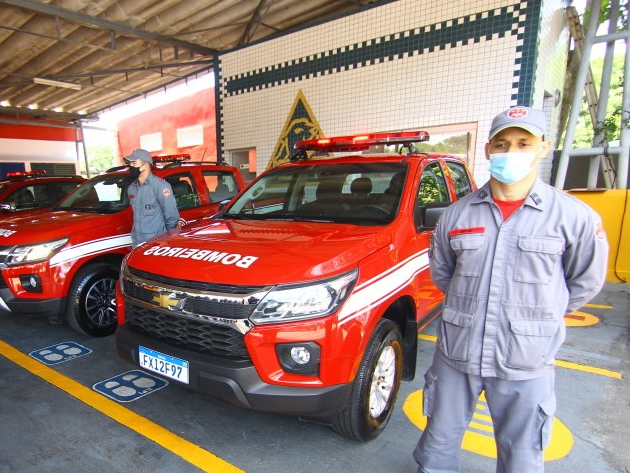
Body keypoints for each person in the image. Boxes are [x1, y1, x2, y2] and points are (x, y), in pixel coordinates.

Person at [412, 106, 609, 473]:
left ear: (543, 147)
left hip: (526, 360)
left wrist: (537, 314)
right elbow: (443, 274)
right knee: (437, 444)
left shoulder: (573, 217)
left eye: (523, 143)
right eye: (503, 144)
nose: (511, 151)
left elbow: (584, 281)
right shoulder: (456, 215)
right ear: (488, 150)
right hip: (458, 353)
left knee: (522, 455)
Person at [124, 148, 182, 248]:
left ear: (145, 165)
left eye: (134, 163)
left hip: (156, 243)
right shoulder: (132, 188)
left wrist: (167, 237)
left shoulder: (160, 186)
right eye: (130, 164)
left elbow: (172, 216)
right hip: (137, 242)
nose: (130, 166)